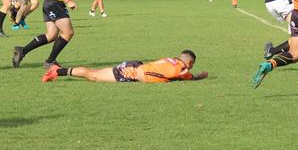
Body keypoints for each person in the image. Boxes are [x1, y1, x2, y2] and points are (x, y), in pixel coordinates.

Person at [41, 49, 208, 83]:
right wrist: (200, 76)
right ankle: (56, 71)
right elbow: (187, 76)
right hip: (133, 71)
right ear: (189, 62)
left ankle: (58, 71)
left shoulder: (171, 60)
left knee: (95, 73)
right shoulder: (181, 68)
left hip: (135, 66)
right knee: (93, 76)